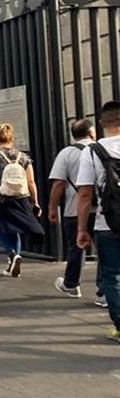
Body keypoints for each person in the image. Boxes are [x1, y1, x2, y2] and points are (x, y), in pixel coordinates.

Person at [0, 123, 44, 278]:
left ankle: (12, 255)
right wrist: (35, 201)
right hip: (20, 197)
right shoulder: (23, 157)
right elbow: (31, 182)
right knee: (15, 229)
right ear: (12, 137)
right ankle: (15, 260)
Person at [76, 100, 120, 344]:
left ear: (102, 124)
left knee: (112, 276)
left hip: (108, 223)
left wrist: (82, 229)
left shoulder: (92, 151)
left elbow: (84, 194)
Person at [49, 119, 104, 304]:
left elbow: (58, 183)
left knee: (76, 247)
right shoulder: (101, 150)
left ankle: (72, 284)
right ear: (91, 133)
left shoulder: (66, 153)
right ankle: (103, 291)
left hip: (74, 209)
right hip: (103, 210)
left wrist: (52, 207)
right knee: (105, 251)